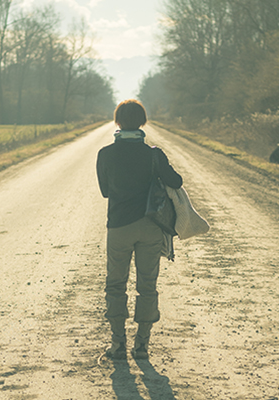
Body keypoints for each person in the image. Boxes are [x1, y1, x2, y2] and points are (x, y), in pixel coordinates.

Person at [96, 99, 183, 360]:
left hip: (119, 228)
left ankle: (117, 344)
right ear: (143, 122)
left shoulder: (106, 154)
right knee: (147, 285)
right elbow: (176, 182)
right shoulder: (154, 154)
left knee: (115, 284)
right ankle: (142, 345)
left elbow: (104, 192)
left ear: (118, 122)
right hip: (150, 228)